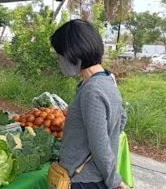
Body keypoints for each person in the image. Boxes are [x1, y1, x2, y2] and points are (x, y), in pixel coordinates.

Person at [50, 19, 128, 189]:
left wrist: (114, 180)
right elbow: (121, 119)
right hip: (90, 176)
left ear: (73, 54)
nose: (59, 60)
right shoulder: (108, 80)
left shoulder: (92, 91)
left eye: (60, 54)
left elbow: (100, 145)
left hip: (84, 180)